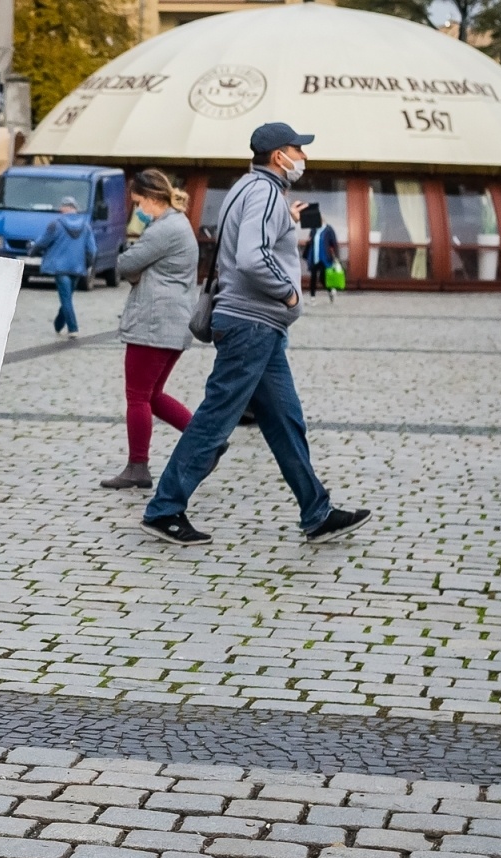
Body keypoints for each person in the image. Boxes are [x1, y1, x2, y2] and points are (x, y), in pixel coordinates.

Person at [142, 122, 370, 545]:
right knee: (214, 420)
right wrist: (288, 295)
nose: (303, 157)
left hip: (255, 326)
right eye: (298, 150)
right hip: (252, 323)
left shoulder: (246, 189)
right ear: (278, 155)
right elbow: (250, 257)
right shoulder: (266, 193)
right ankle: (164, 509)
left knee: (285, 420)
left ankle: (317, 513)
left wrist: (285, 222)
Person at [101, 169, 198, 489]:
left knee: (138, 397)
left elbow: (126, 264)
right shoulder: (177, 224)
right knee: (153, 395)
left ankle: (137, 466)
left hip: (154, 322)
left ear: (153, 198)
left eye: (139, 202)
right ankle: (205, 438)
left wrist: (135, 269)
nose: (137, 210)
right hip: (171, 321)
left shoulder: (164, 229)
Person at [31, 195, 96, 338]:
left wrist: (33, 252)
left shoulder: (55, 224)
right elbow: (92, 250)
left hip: (60, 267)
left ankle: (73, 328)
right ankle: (58, 324)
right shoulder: (86, 226)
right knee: (67, 297)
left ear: (63, 207)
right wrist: (87, 264)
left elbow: (42, 242)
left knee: (66, 298)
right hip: (77, 267)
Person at [305, 214, 340, 302]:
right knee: (313, 277)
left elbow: (334, 243)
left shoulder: (328, 229)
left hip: (324, 258)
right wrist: (308, 242)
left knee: (322, 278)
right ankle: (312, 297)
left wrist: (336, 256)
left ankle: (330, 290)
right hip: (314, 257)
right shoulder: (313, 230)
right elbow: (310, 241)